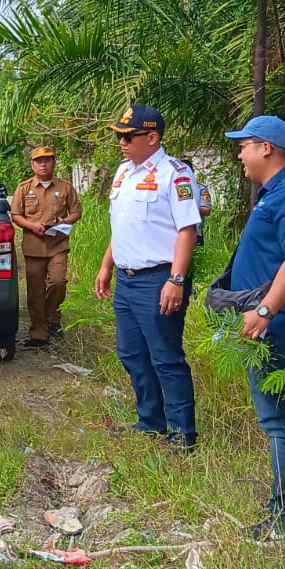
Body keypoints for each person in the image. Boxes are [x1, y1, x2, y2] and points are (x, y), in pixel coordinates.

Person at [225, 115, 285, 548]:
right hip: (270, 325)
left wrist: (264, 310)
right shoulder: (274, 195)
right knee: (278, 421)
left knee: (283, 422)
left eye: (244, 145)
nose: (240, 154)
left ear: (266, 148)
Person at [93, 106, 203, 451]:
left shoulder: (176, 174)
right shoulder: (124, 172)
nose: (121, 143)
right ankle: (150, 421)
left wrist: (177, 279)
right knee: (131, 353)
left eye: (128, 136)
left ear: (152, 138)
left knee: (166, 357)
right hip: (126, 279)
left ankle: (182, 432)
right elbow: (122, 224)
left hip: (158, 278)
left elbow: (187, 230)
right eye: (118, 136)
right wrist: (106, 265)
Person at [9, 144, 81, 347]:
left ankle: (52, 320)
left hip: (58, 244)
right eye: (39, 161)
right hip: (34, 246)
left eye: (47, 160)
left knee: (58, 282)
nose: (43, 164)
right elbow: (16, 215)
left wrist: (65, 222)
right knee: (35, 290)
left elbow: (76, 212)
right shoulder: (24, 188)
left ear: (53, 163)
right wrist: (32, 225)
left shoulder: (65, 187)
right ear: (32, 165)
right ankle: (38, 332)